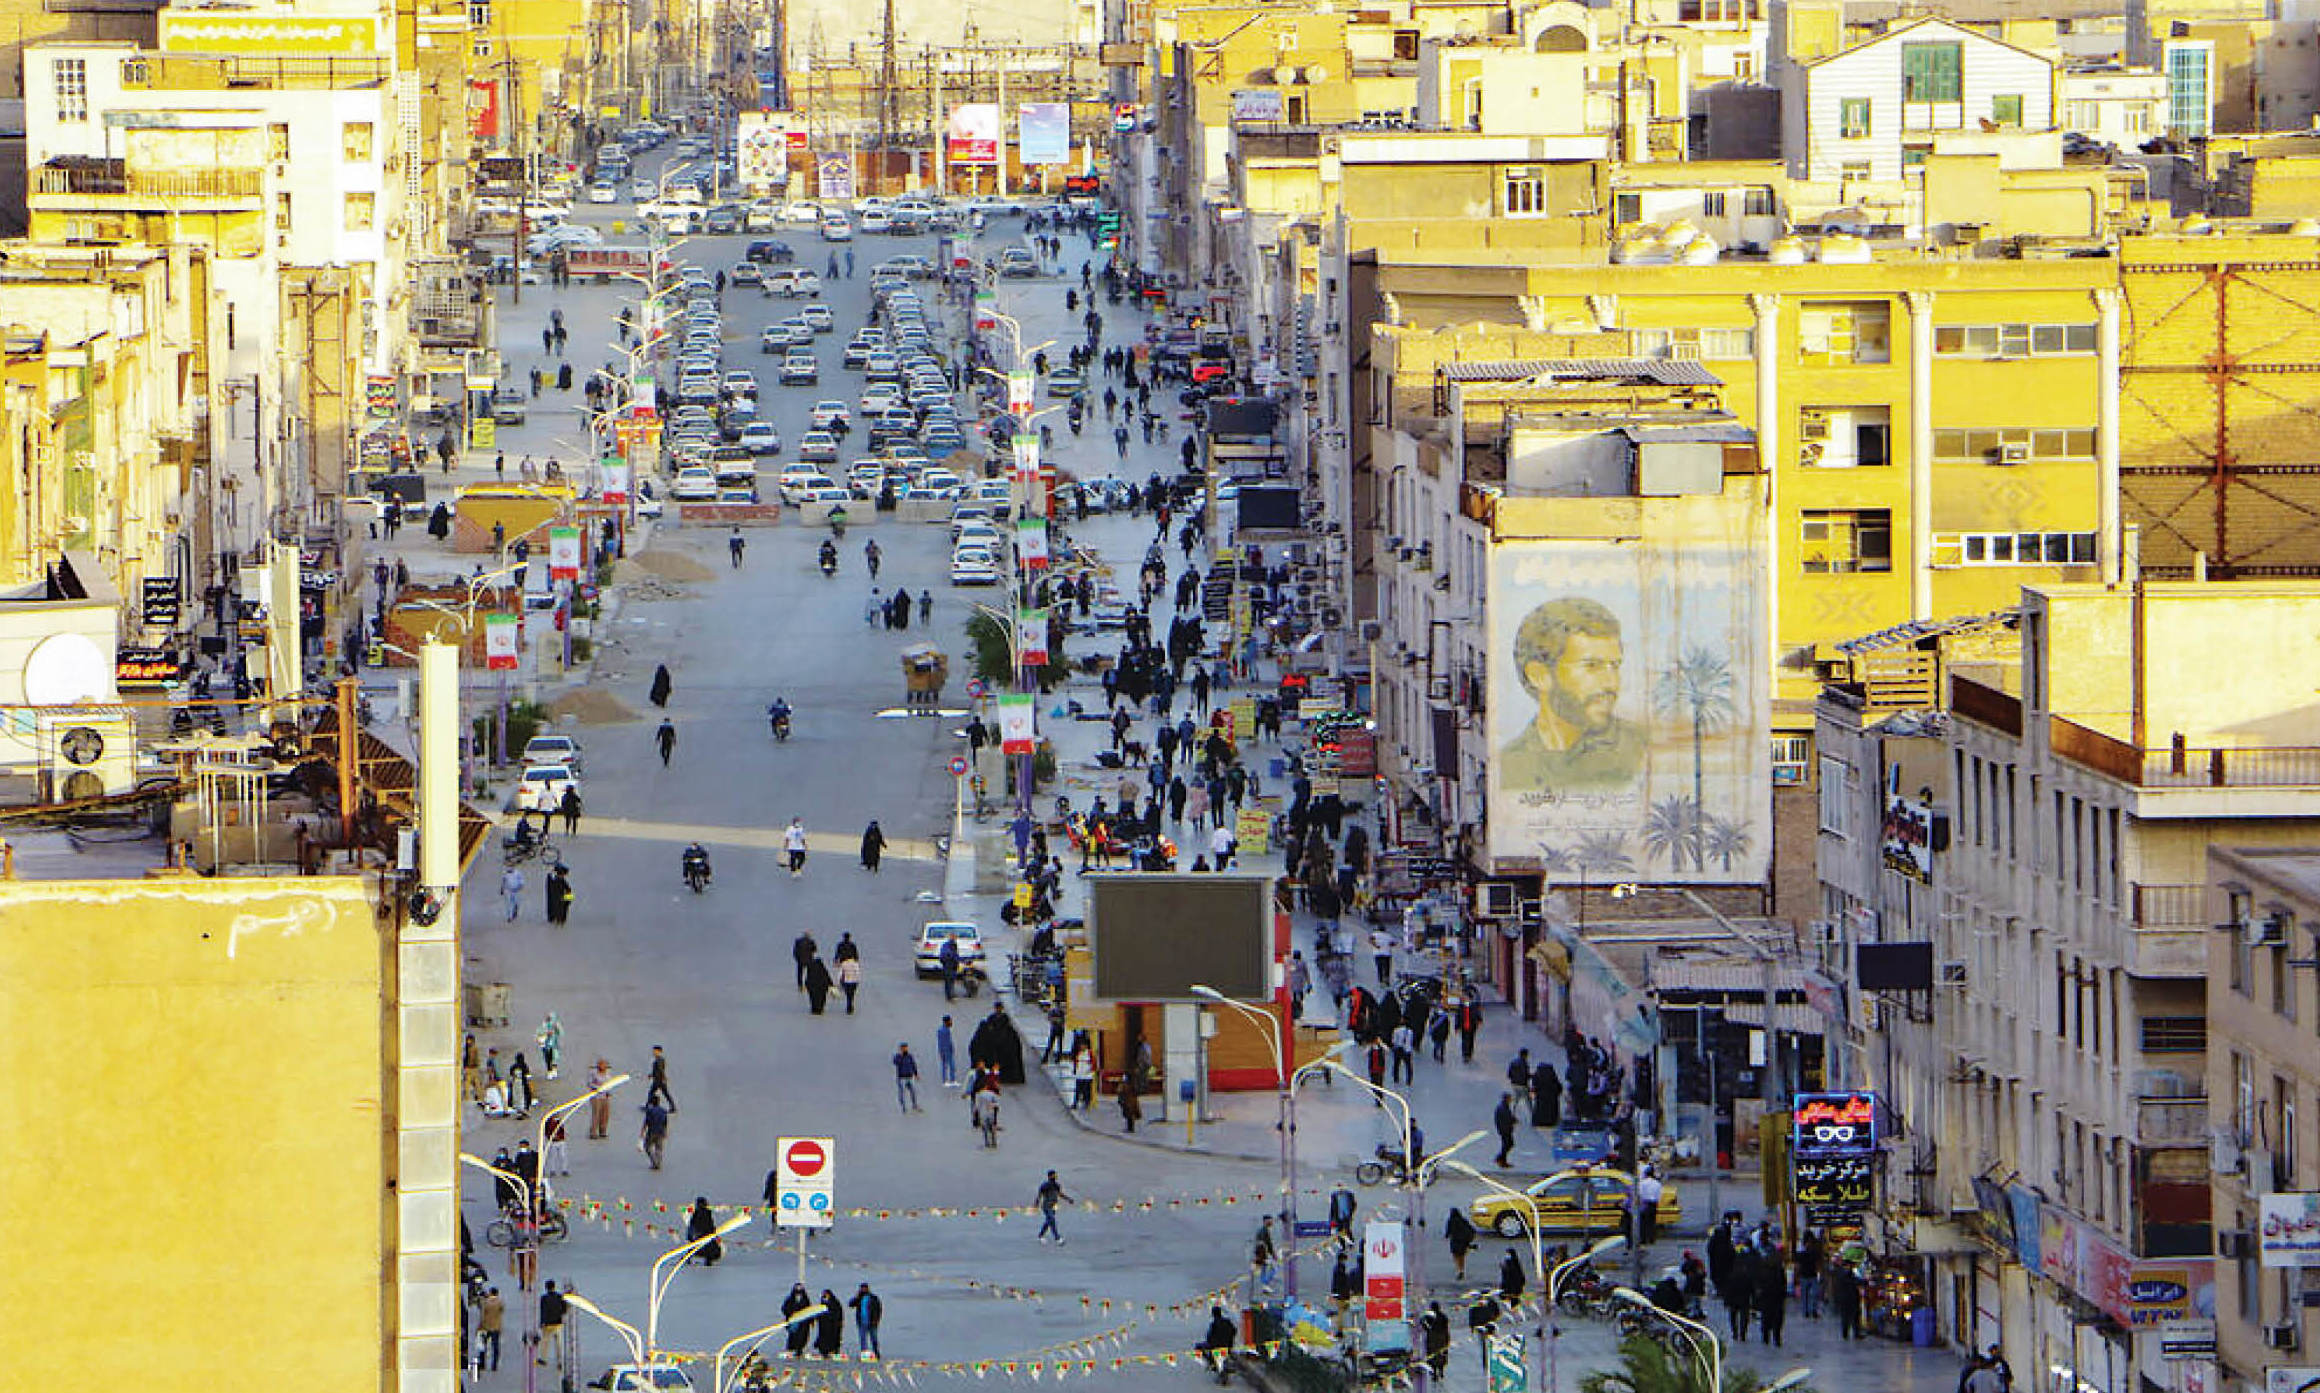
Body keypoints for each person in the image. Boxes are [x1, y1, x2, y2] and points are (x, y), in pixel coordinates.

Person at [1500, 597, 1645, 794]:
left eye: (1615, 666)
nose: (1611, 683)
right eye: (1592, 666)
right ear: (1539, 676)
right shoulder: (1508, 765)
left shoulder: (1642, 749)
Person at [1199, 1304, 1238, 1382]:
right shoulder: (1227, 1321)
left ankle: (1212, 1364)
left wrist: (1210, 1342)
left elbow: (1209, 1337)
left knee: (1199, 1347)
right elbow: (1234, 1331)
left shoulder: (1214, 1324)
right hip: (1228, 1345)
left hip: (1216, 1346)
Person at [1035, 1169, 1071, 1243]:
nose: (1055, 1177)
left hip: (1053, 1206)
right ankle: (1057, 1238)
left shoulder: (1057, 1185)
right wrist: (1036, 1203)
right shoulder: (1045, 1185)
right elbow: (1039, 1195)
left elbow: (1060, 1194)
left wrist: (1068, 1199)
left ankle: (1041, 1235)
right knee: (1052, 1220)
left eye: (1055, 1175)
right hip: (1046, 1206)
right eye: (1053, 1176)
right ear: (1049, 1177)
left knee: (1048, 1221)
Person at [537, 1280, 567, 1369]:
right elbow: (564, 1309)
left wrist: (542, 1322)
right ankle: (559, 1361)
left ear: (546, 1288)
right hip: (558, 1323)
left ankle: (543, 1358)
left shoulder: (544, 1298)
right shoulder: (559, 1297)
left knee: (545, 1342)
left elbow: (543, 1311)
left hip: (547, 1324)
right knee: (558, 1344)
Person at [688, 1197, 724, 1265]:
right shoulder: (702, 1213)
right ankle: (706, 1261)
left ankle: (689, 1259)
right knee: (705, 1248)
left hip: (703, 1235)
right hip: (703, 1235)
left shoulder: (702, 1213)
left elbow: (708, 1224)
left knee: (701, 1248)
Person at [476, 1286, 504, 1372]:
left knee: (482, 1345)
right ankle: (494, 1365)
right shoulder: (500, 1302)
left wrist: (480, 1326)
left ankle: (482, 1363)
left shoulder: (485, 1302)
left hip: (486, 1326)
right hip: (496, 1327)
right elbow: (502, 1311)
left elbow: (483, 1314)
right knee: (495, 1346)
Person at [850, 1284, 883, 1359]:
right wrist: (857, 1297)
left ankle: (876, 1352)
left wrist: (876, 1320)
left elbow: (878, 1310)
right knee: (863, 1338)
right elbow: (851, 1304)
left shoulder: (873, 1298)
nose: (863, 1290)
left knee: (873, 1338)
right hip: (862, 1321)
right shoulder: (859, 1298)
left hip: (872, 1322)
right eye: (862, 1289)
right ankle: (864, 1353)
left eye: (864, 1288)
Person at [1420, 1302, 1451, 1380]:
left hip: (1432, 1338)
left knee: (1432, 1355)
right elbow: (1446, 1328)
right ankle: (1441, 1370)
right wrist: (1447, 1339)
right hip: (1442, 1338)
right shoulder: (1443, 1316)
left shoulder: (1429, 1316)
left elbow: (1423, 1324)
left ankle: (1434, 1372)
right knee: (1441, 1354)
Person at [781, 1284, 815, 1356]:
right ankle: (791, 1350)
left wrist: (811, 1321)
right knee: (793, 1337)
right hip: (794, 1322)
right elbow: (784, 1309)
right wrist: (791, 1314)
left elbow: (809, 1310)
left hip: (804, 1323)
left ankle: (800, 1350)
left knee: (803, 1337)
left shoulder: (805, 1300)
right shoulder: (790, 1299)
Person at [1446, 1207, 1478, 1281]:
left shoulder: (1451, 1221)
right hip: (1463, 1243)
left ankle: (1459, 1270)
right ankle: (1462, 1269)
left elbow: (1448, 1232)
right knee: (1462, 1257)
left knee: (1456, 1256)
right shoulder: (1463, 1220)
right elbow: (1471, 1229)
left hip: (1455, 1242)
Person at [1636, 1165, 1664, 1246]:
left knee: (1643, 1222)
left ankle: (1643, 1239)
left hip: (1644, 1203)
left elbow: (1639, 1193)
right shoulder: (1657, 1184)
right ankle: (1651, 1238)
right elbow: (1659, 1195)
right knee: (1651, 1222)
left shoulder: (1642, 1183)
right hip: (1653, 1204)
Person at [813, 1290, 844, 1359]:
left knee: (834, 1337)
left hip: (833, 1324)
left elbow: (838, 1313)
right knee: (823, 1338)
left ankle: (834, 1351)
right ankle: (824, 1352)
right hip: (823, 1325)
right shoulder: (822, 1304)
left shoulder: (835, 1303)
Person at [640, 1099, 669, 1169]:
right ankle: (658, 1163)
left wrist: (642, 1133)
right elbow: (665, 1123)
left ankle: (654, 1162)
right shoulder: (663, 1111)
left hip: (652, 1131)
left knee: (647, 1147)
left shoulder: (650, 1111)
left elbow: (646, 1123)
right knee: (659, 1148)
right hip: (661, 1131)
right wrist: (666, 1132)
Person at [892, 1043, 921, 1111]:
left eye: (906, 1047)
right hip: (902, 1078)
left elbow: (913, 1065)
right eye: (903, 1048)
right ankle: (903, 1106)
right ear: (901, 1049)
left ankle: (914, 1105)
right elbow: (895, 1062)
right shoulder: (898, 1056)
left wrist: (916, 1074)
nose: (905, 1049)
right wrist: (900, 1056)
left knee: (913, 1092)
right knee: (902, 1093)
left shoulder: (910, 1056)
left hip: (910, 1077)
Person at [1493, 1091, 1520, 1167]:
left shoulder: (1504, 1106)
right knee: (1508, 1144)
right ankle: (1501, 1160)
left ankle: (1500, 1158)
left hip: (1505, 1128)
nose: (1511, 1100)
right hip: (1505, 1129)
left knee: (1508, 1144)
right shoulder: (1503, 1107)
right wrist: (1513, 1120)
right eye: (1510, 1098)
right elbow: (1507, 1118)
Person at [936, 1014, 958, 1086]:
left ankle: (945, 1080)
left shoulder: (941, 1030)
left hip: (943, 1050)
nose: (951, 1023)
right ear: (946, 1022)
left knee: (944, 1065)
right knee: (951, 1065)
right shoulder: (945, 1031)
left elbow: (940, 1042)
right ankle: (952, 1080)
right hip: (947, 1050)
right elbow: (947, 1041)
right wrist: (951, 1048)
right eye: (950, 1021)